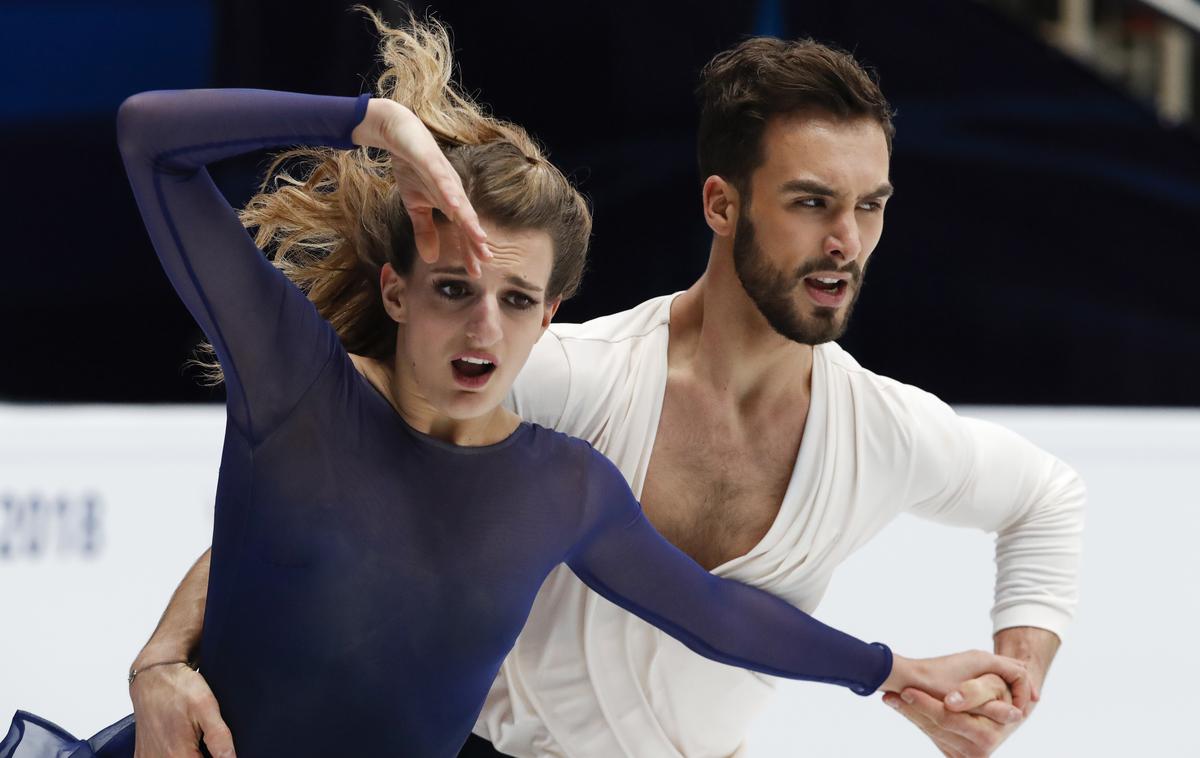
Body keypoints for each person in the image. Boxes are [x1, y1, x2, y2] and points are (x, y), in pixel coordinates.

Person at [0, 12, 1036, 758]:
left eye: (516, 298)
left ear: (553, 315)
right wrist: (375, 123)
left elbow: (717, 614)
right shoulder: (301, 390)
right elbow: (148, 134)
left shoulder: (563, 487)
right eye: (453, 287)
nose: (481, 327)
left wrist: (891, 669)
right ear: (398, 289)